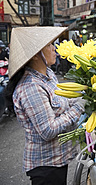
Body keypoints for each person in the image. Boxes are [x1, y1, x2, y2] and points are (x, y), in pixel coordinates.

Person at [4, 27, 85, 185]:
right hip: (46, 165)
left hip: (57, 160)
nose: (54, 48)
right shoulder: (31, 87)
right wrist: (80, 107)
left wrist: (81, 97)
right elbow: (48, 130)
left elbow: (62, 100)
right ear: (35, 55)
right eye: (49, 45)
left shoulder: (48, 75)